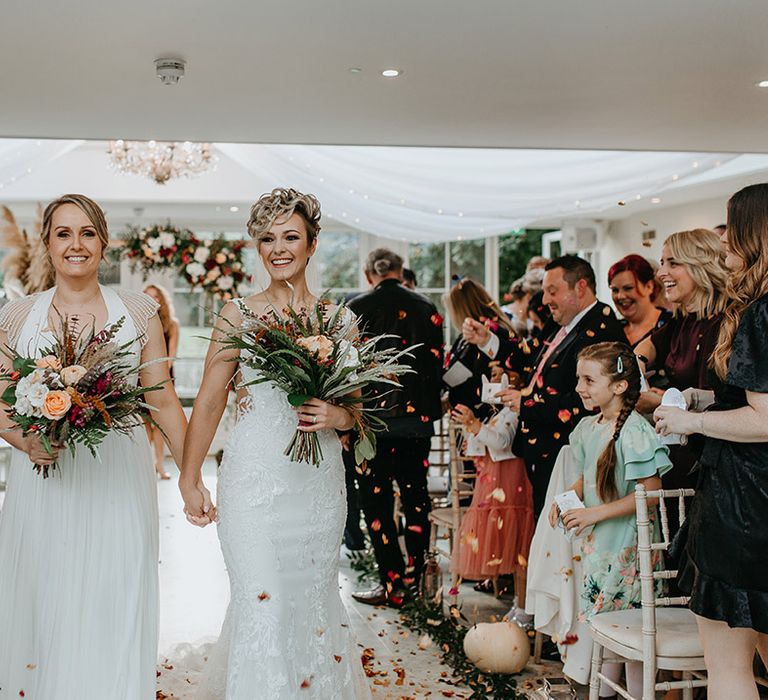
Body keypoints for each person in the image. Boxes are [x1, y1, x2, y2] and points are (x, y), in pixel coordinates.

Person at [178, 188, 370, 698]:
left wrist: (338, 414)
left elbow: (359, 412)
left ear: (312, 244)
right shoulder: (236, 314)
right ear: (257, 247)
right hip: (254, 484)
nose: (279, 248)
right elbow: (210, 400)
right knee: (261, 603)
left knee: (311, 602)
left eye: (291, 237)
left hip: (318, 486)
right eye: (267, 238)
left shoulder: (339, 321)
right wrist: (189, 476)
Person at [0, 194, 189, 699]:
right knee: (47, 601)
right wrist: (25, 439)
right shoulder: (17, 316)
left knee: (114, 597)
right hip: (44, 485)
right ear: (47, 244)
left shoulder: (138, 311)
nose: (76, 244)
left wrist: (191, 477)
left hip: (119, 479)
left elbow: (163, 400)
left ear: (104, 243)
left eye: (87, 233)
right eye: (63, 233)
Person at [655, 184, 768, 699]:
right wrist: (705, 404)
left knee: (728, 667)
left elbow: (765, 419)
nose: (724, 248)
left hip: (745, 502)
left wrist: (690, 424)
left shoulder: (759, 313)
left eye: (731, 234)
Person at [551, 341, 672, 697]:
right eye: (579, 379)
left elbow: (649, 492)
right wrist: (567, 500)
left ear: (619, 386)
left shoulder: (634, 431)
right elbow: (589, 476)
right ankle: (603, 694)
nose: (579, 388)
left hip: (628, 548)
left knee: (631, 635)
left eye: (589, 380)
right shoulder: (590, 428)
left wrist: (594, 513)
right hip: (599, 548)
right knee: (606, 629)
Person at [468, 255, 626, 518]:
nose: (544, 301)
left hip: (570, 455)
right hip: (543, 452)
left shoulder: (601, 328)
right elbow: (530, 358)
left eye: (552, 292)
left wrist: (525, 404)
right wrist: (488, 341)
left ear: (580, 288)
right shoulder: (560, 323)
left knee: (562, 535)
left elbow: (590, 402)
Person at [348, 248, 444, 606]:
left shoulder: (356, 309)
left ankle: (392, 584)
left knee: (376, 506)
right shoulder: (427, 309)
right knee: (417, 500)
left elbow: (347, 371)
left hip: (370, 424)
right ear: (401, 271)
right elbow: (437, 368)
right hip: (416, 426)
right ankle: (416, 579)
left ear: (368, 272)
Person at [634, 230, 728, 519]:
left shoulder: (725, 324)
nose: (662, 273)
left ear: (701, 265)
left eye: (673, 263)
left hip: (710, 465)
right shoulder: (682, 321)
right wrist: (637, 365)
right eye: (662, 263)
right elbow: (643, 349)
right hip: (677, 455)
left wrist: (658, 401)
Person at [450, 398, 534, 615]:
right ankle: (519, 601)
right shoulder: (498, 410)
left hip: (510, 480)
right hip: (492, 480)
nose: (495, 382)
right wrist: (474, 434)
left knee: (518, 543)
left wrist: (475, 424)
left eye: (499, 375)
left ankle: (523, 604)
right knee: (506, 540)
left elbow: (501, 442)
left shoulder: (515, 410)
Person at [444, 278, 516, 421]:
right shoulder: (464, 337)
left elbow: (488, 374)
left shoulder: (494, 332)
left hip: (487, 416)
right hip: (468, 414)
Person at [143, 283, 180, 480]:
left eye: (155, 296)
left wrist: (158, 378)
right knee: (144, 425)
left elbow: (171, 355)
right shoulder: (139, 322)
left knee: (160, 426)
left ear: (162, 300)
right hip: (141, 379)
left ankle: (160, 464)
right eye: (147, 296)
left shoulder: (171, 324)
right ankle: (147, 465)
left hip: (162, 377)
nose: (151, 299)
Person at [607, 254, 671, 348]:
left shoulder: (671, 326)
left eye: (628, 288)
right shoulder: (612, 330)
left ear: (649, 286)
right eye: (615, 290)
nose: (620, 296)